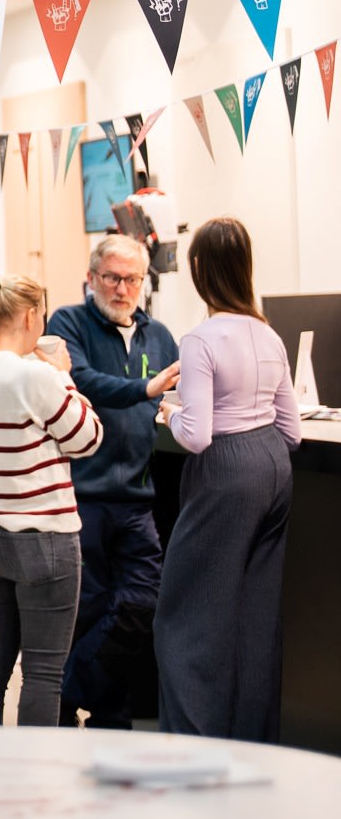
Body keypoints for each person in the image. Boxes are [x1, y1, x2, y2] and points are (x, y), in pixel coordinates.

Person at [155, 217, 300, 740]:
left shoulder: (200, 340)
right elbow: (292, 430)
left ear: (199, 268)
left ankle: (196, 746)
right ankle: (252, 745)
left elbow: (196, 436)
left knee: (186, 617)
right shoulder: (269, 334)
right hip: (274, 469)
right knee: (254, 620)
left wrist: (168, 414)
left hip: (225, 473)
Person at [0, 275, 103, 727]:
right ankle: (33, 767)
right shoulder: (38, 377)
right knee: (43, 673)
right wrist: (64, 374)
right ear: (31, 316)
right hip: (44, 540)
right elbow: (88, 437)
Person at [45, 235, 181, 729]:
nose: (122, 289)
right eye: (112, 278)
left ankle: (64, 693)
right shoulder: (68, 324)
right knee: (88, 609)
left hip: (137, 500)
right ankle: (100, 719)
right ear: (91, 278)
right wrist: (146, 389)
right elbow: (82, 382)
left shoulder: (159, 336)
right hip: (82, 497)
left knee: (139, 604)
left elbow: (174, 396)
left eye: (132, 279)